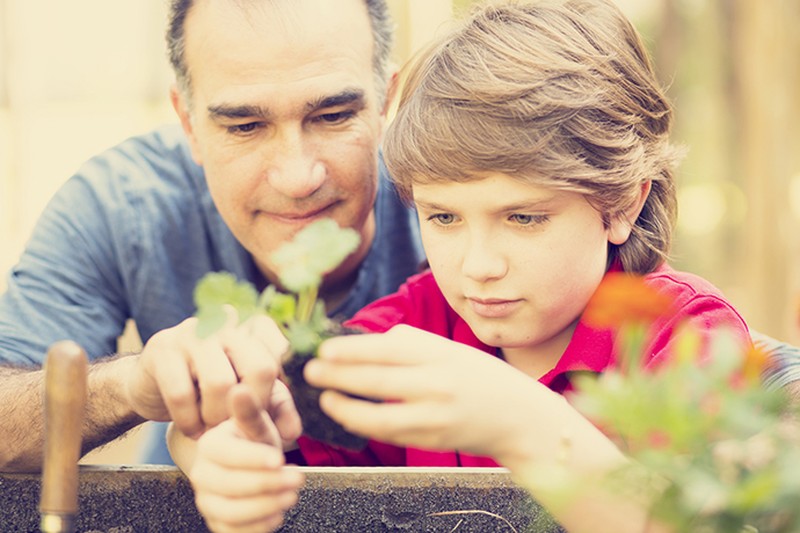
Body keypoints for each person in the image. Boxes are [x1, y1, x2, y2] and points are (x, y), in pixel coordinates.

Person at [170, 1, 761, 531]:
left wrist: (520, 423)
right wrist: (219, 452)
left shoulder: (685, 338)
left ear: (622, 202)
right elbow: (257, 434)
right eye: (444, 218)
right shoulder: (409, 331)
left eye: (523, 218)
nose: (478, 266)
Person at [0, 0, 424, 471]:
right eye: (245, 126)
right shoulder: (122, 202)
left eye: (333, 116)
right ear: (189, 124)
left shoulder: (456, 206)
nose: (297, 177)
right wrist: (132, 383)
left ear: (386, 102)